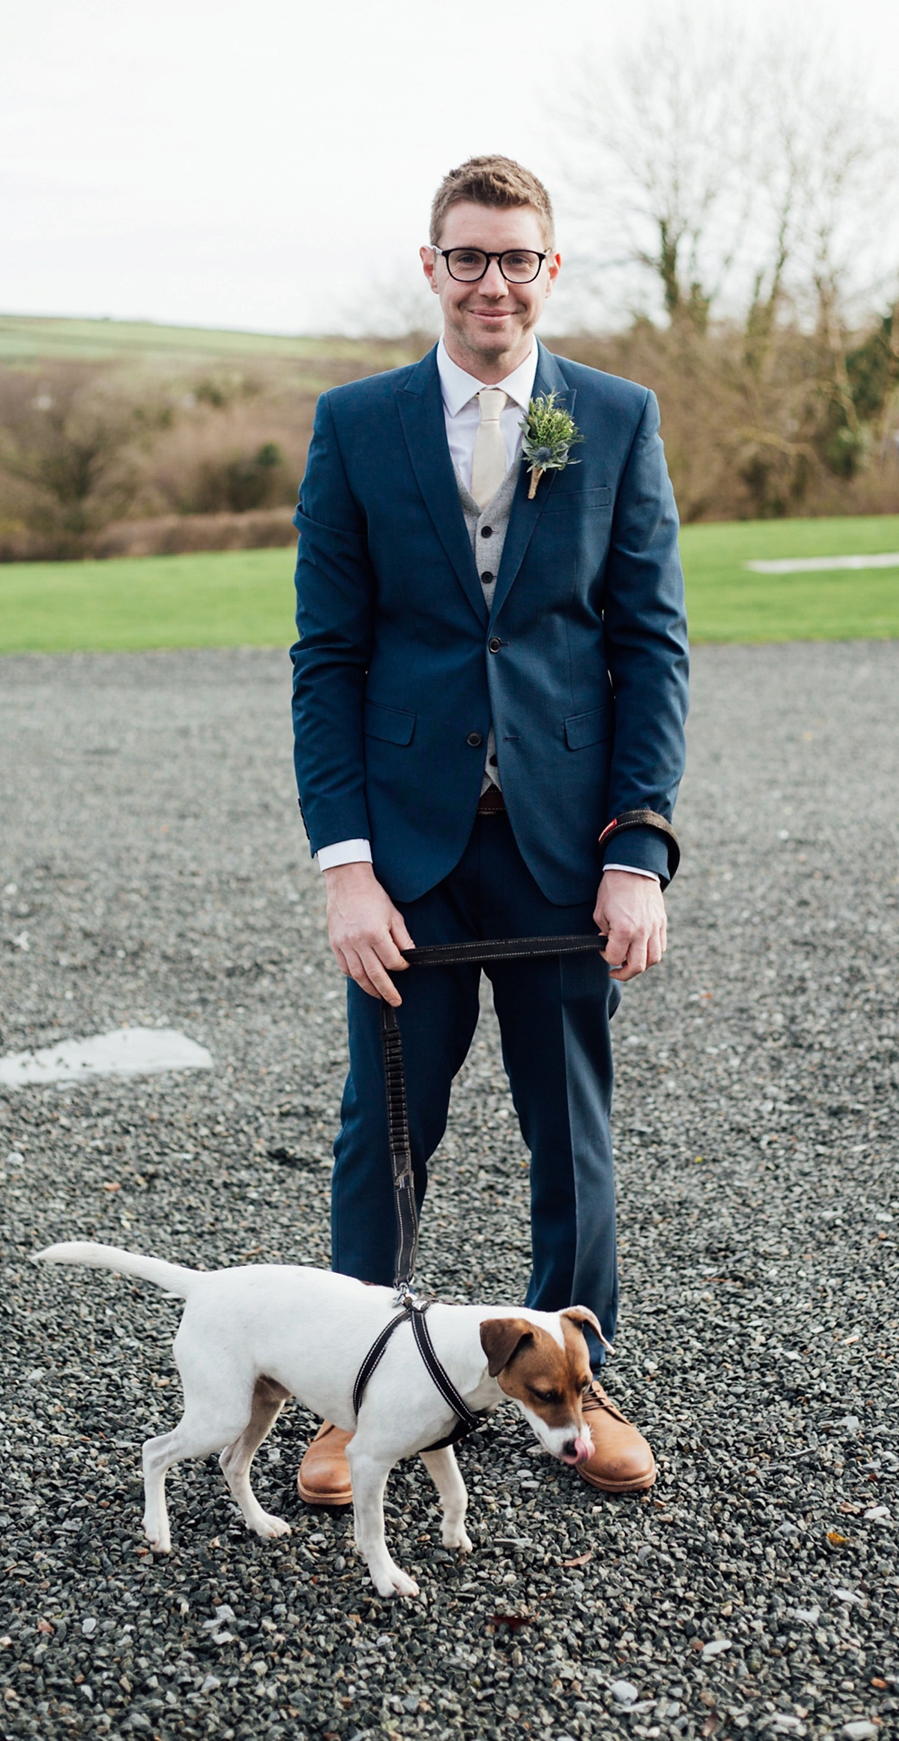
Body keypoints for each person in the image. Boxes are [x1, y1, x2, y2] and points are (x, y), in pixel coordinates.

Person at [290, 155, 689, 1501]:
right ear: (431, 267)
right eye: (468, 257)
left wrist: (638, 848)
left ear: (551, 271)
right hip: (406, 851)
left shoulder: (614, 421)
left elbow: (650, 644)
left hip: (565, 848)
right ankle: (352, 1398)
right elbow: (327, 656)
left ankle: (578, 1395)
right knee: (383, 1133)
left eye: (517, 259)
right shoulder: (357, 425)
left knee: (570, 1132)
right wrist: (345, 867)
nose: (493, 283)